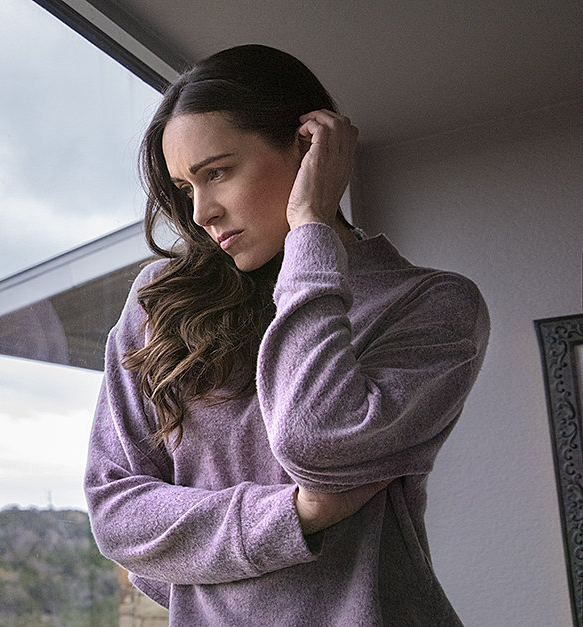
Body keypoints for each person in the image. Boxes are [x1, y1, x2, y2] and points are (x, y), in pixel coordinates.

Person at [84, 44, 489, 626]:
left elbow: (314, 439)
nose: (201, 213)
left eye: (217, 172)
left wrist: (310, 228)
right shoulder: (164, 300)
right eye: (186, 187)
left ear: (307, 148)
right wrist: (295, 516)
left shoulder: (433, 304)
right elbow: (116, 514)